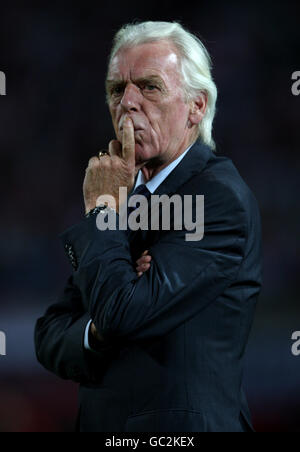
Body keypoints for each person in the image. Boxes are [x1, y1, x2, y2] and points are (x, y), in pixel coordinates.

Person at [34, 21, 262, 432]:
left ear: (197, 106)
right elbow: (49, 335)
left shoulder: (217, 198)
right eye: (117, 89)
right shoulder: (127, 196)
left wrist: (103, 213)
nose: (128, 103)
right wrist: (101, 329)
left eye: (149, 87)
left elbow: (118, 313)